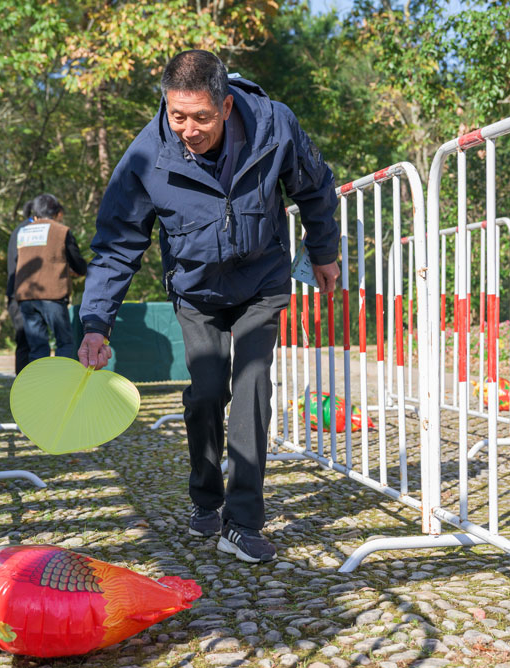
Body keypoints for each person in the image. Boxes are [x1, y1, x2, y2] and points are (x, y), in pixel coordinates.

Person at [77, 50, 339, 563]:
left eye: (201, 117)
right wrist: (95, 323)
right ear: (166, 105)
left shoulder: (275, 126)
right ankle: (205, 494)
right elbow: (116, 245)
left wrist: (324, 252)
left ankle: (243, 522)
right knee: (208, 392)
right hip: (196, 293)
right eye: (178, 116)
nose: (189, 129)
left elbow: (314, 186)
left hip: (261, 280)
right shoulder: (146, 156)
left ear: (225, 104)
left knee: (251, 389)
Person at [10, 193, 89, 363]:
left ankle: (40, 387)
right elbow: (78, 263)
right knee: (64, 342)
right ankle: (63, 384)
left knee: (37, 347)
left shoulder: (23, 232)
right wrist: (78, 270)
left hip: (26, 297)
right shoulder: (61, 231)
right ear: (57, 212)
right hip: (52, 295)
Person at [6, 200, 34, 374]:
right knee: (26, 341)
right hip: (23, 293)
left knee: (24, 341)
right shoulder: (29, 232)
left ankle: (23, 381)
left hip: (17, 293)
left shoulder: (20, 229)